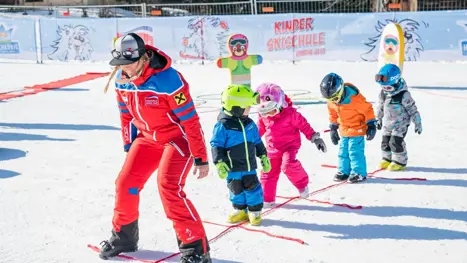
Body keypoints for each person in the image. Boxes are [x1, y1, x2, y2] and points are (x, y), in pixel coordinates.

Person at [100, 33, 211, 263]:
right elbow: (125, 115)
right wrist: (129, 145)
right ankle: (124, 237)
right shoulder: (122, 80)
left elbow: (190, 121)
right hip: (147, 138)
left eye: (129, 63)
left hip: (176, 139)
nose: (125, 69)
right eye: (120, 64)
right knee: (126, 183)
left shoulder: (169, 80)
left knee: (168, 187)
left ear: (143, 58)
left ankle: (195, 248)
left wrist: (200, 156)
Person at [255, 83, 327, 207]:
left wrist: (315, 138)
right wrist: (249, 141)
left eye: (271, 111)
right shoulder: (264, 117)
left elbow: (304, 126)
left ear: (280, 104)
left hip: (290, 146)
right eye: (264, 113)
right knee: (268, 171)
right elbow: (258, 130)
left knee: (287, 165)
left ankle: (302, 185)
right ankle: (267, 199)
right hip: (272, 148)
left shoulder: (291, 114)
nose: (268, 115)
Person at [210, 84, 270, 226]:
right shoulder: (223, 125)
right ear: (236, 107)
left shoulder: (249, 123)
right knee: (235, 188)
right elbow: (216, 144)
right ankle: (240, 209)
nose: (250, 110)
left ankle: (254, 210)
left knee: (252, 187)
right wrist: (219, 162)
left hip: (249, 166)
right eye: (247, 107)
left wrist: (263, 156)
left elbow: (257, 141)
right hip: (232, 167)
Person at [320, 73, 377, 183]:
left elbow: (368, 110)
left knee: (354, 151)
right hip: (344, 129)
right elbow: (333, 114)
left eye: (335, 98)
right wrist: (333, 128)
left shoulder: (355, 100)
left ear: (340, 90)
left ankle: (359, 172)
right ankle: (344, 171)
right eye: (330, 99)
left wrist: (371, 125)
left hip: (357, 128)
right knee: (343, 152)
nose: (334, 101)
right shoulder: (332, 101)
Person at [375, 64, 422, 171]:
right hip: (388, 123)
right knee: (385, 141)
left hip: (400, 124)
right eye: (383, 87)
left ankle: (400, 161)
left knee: (395, 142)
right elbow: (380, 107)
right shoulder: (383, 93)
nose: (386, 89)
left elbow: (413, 110)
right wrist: (378, 118)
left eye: (388, 87)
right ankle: (387, 159)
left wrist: (418, 123)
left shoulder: (404, 95)